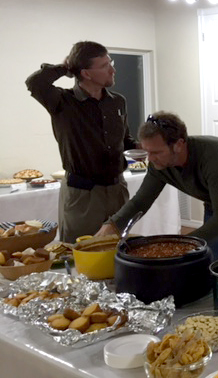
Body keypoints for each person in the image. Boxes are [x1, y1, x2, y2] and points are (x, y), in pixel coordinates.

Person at [96, 111, 218, 262]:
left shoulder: (212, 157)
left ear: (179, 144)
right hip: (216, 205)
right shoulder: (159, 166)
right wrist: (112, 225)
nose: (150, 159)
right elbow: (140, 202)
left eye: (156, 152)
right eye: (147, 152)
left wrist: (183, 244)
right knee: (212, 266)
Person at [26, 41, 137, 243]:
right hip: (83, 194)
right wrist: (66, 67)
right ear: (86, 73)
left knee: (120, 250)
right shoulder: (62, 101)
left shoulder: (118, 101)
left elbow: (125, 140)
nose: (112, 70)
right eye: (105, 66)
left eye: (110, 63)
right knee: (80, 251)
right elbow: (35, 83)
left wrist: (145, 147)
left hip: (117, 190)